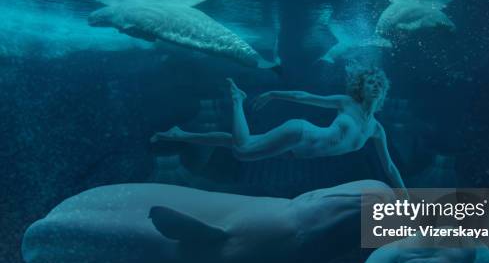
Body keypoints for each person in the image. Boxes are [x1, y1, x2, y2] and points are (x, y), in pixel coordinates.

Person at [151, 67, 406, 188]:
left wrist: (405, 199)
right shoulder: (346, 103)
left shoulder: (376, 129)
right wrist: (274, 92)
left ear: (383, 91)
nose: (374, 86)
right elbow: (304, 96)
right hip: (300, 133)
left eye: (378, 84)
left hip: (296, 151)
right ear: (360, 88)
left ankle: (180, 134)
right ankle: (238, 99)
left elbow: (390, 167)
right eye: (369, 82)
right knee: (243, 151)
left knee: (237, 140)